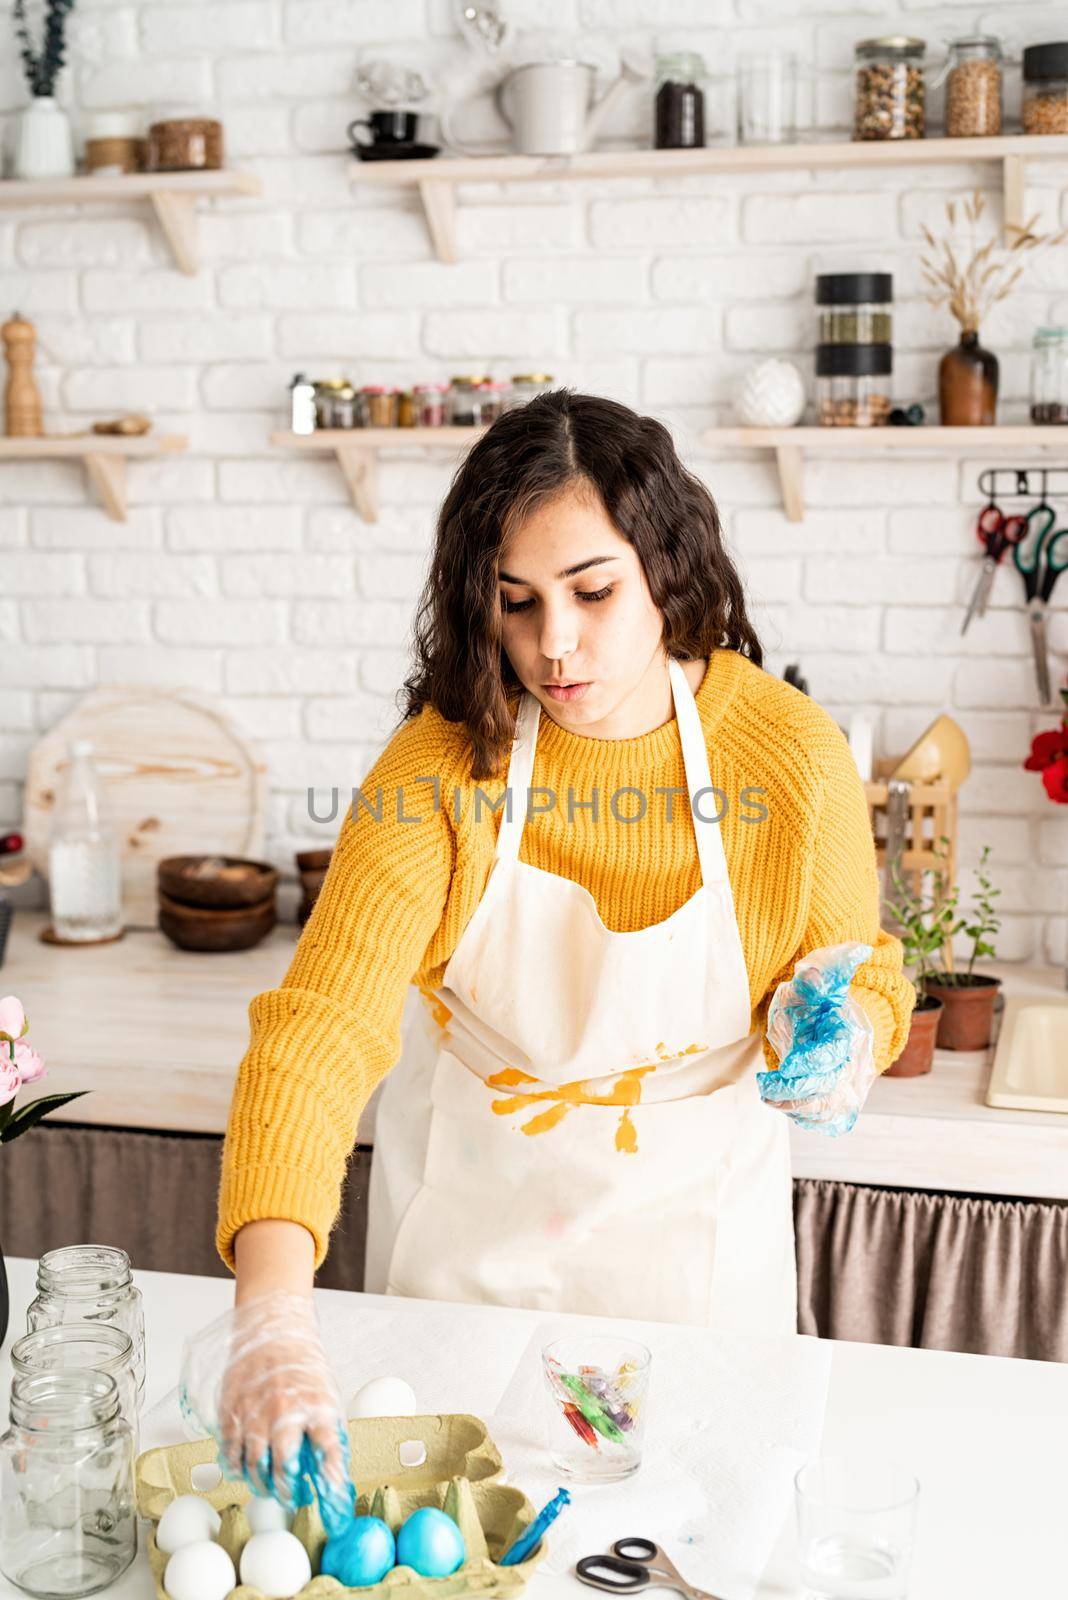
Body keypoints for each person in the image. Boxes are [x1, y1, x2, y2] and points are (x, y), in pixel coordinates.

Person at [212, 390, 914, 1488]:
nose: (555, 645)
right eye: (517, 602)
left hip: (695, 1262)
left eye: (593, 590)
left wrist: (851, 1024)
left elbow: (857, 963)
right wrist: (270, 1314)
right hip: (470, 1248)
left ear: (664, 569)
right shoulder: (442, 767)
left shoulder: (788, 755)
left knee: (682, 1526)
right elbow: (318, 1035)